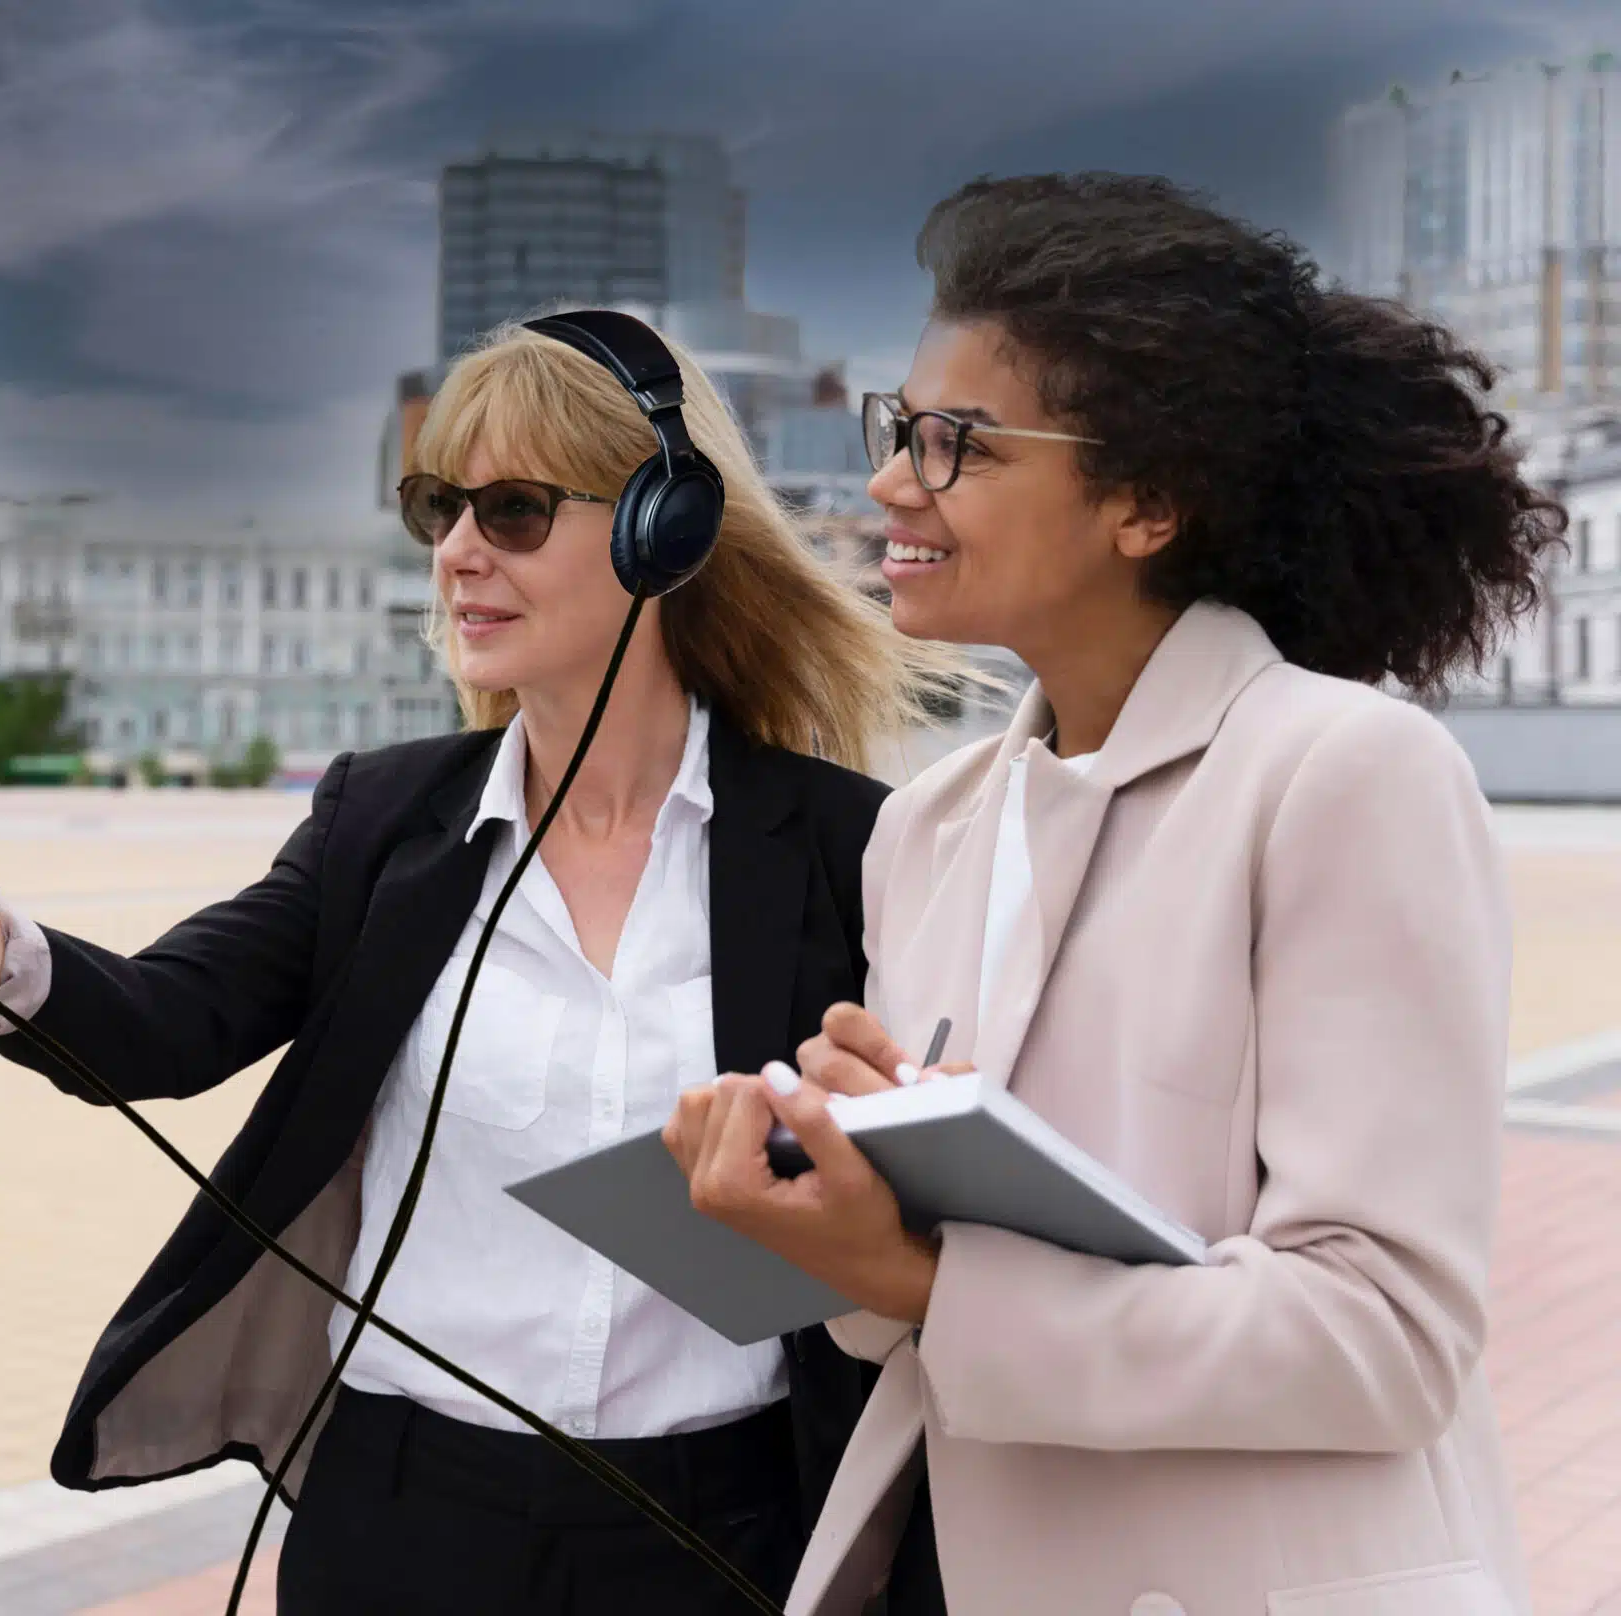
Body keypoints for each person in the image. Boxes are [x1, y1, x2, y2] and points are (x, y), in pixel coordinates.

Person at [0, 318, 961, 1613]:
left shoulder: (844, 843)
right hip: (401, 1511)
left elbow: (928, 1180)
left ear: (663, 528)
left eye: (514, 510)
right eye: (436, 506)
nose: (457, 553)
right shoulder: (384, 820)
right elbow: (163, 1021)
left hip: (729, 1524)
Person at [664, 172, 1563, 1616]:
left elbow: (1384, 1335)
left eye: (954, 442)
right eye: (901, 430)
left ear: (1145, 500)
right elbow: (917, 1305)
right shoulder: (934, 826)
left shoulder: (1342, 775)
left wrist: (925, 1284)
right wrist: (833, 1205)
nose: (893, 481)